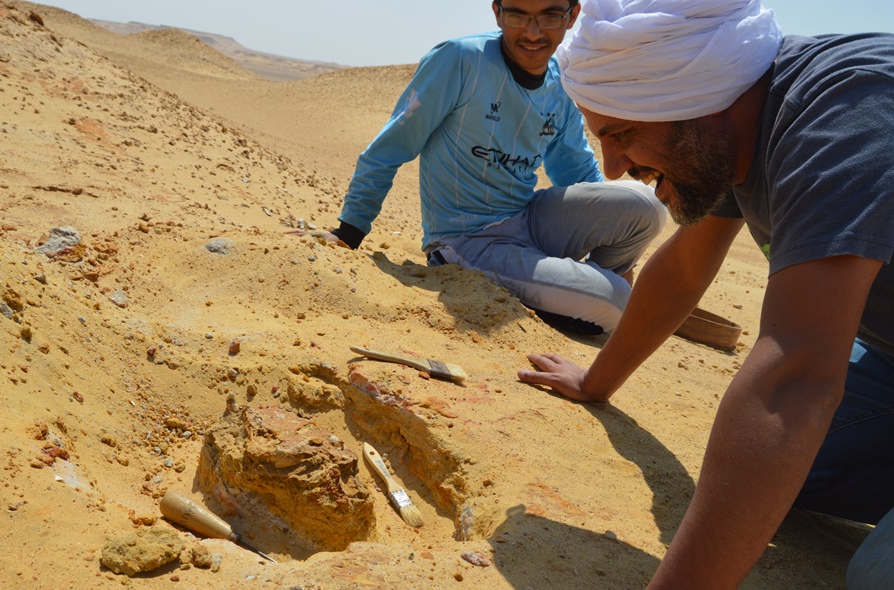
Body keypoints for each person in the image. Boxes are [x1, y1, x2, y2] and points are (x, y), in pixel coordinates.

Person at [516, 0, 894, 587]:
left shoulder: (850, 113)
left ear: (696, 103)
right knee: (774, 477)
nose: (612, 168)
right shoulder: (733, 127)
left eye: (621, 133)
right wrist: (595, 382)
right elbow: (684, 269)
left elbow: (796, 377)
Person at [321, 0, 666, 334]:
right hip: (468, 238)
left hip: (529, 218)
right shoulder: (460, 60)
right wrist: (349, 232)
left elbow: (578, 174)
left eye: (549, 15)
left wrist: (614, 237)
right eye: (518, 15)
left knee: (646, 206)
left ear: (572, 15)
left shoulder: (560, 80)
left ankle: (572, 289)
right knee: (617, 299)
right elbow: (392, 145)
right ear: (497, 13)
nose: (532, 32)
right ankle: (581, 294)